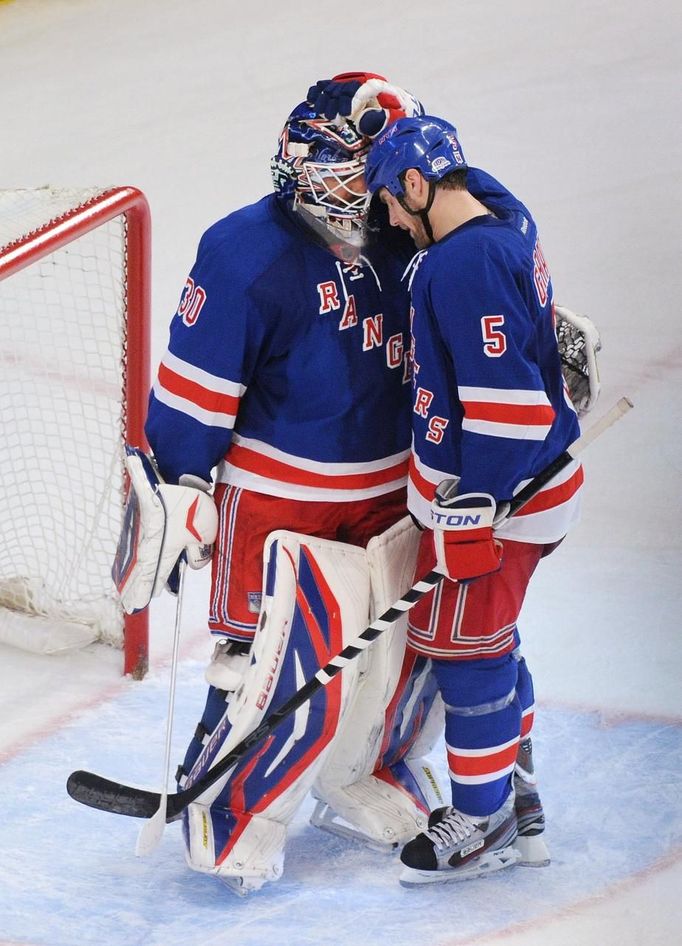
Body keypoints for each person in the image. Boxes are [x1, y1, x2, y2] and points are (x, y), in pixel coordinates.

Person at [115, 77, 451, 896]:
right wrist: (176, 483)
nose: (344, 182)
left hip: (393, 492)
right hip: (279, 502)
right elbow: (191, 396)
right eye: (335, 161)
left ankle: (369, 776)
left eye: (361, 164)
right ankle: (231, 812)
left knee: (402, 657)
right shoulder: (243, 253)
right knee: (274, 666)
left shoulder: (414, 235)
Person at [362, 114, 584, 886]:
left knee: (468, 654)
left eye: (391, 199)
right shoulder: (505, 218)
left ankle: (481, 820)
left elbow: (510, 412)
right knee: (493, 641)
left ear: (420, 185)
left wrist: (474, 508)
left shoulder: (462, 268)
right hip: (530, 489)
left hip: (500, 502)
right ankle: (517, 791)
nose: (388, 219)